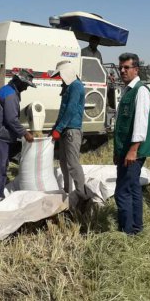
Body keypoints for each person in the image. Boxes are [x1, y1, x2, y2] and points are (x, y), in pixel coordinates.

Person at [113, 53, 150, 235]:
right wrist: (118, 151)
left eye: (126, 67)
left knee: (123, 192)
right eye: (120, 67)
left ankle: (127, 231)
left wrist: (133, 150)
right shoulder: (128, 90)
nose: (122, 71)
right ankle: (136, 227)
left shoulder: (141, 91)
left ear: (136, 69)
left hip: (133, 151)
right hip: (126, 150)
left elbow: (140, 123)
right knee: (133, 188)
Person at [0, 69, 36, 208]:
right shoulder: (11, 95)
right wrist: (25, 133)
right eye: (26, 85)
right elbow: (11, 120)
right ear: (18, 82)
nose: (26, 88)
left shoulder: (6, 90)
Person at [49, 61, 88, 210]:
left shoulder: (76, 86)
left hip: (72, 130)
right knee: (64, 162)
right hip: (66, 129)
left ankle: (82, 195)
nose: (60, 78)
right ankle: (67, 190)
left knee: (72, 163)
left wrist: (59, 128)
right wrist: (55, 127)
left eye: (60, 75)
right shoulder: (69, 87)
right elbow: (63, 110)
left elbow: (71, 109)